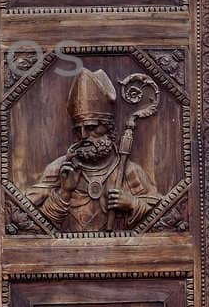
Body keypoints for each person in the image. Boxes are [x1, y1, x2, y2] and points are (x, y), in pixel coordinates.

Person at [25, 68, 159, 232]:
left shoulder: (130, 172)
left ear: (109, 130)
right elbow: (31, 222)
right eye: (78, 130)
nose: (83, 135)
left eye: (91, 127)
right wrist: (64, 192)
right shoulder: (59, 169)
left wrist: (133, 204)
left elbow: (162, 220)